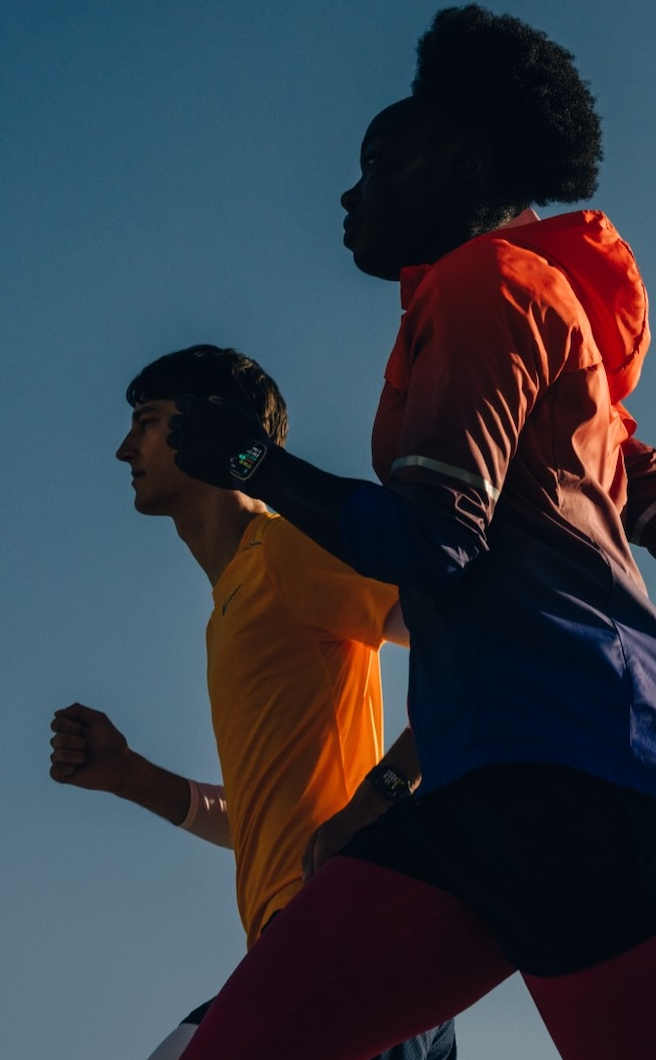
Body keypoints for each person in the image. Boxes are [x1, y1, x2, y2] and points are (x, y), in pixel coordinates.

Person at [163, 6, 656, 1060]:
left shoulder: (491, 284)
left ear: (465, 162)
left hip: (578, 801)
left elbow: (435, 543)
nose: (351, 191)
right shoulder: (549, 341)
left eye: (381, 160)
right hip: (497, 790)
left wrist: (251, 463)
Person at [48, 345, 455, 1060]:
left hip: (349, 934)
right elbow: (271, 819)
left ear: (206, 425)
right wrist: (130, 776)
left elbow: (471, 639)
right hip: (313, 942)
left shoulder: (290, 548)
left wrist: (381, 796)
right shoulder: (231, 606)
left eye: (146, 422)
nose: (123, 449)